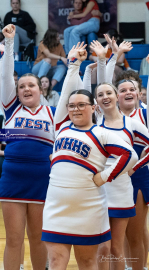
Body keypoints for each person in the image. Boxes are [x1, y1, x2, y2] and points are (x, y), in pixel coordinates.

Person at [41, 43, 138, 270]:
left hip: (88, 207)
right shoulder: (61, 126)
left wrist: (104, 177)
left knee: (87, 262)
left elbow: (130, 155)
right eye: (72, 106)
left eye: (82, 105)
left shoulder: (101, 133)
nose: (75, 109)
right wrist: (74, 64)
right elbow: (67, 92)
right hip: (56, 206)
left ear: (93, 108)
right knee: (56, 262)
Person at [0, 24, 56, 270]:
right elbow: (4, 76)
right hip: (13, 179)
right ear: (16, 92)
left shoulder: (53, 113)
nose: (26, 89)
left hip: (42, 179)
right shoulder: (11, 109)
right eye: (21, 87)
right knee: (13, 239)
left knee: (38, 239)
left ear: (41, 90)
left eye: (31, 85)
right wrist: (9, 43)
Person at [95, 38, 149, 270]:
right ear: (117, 95)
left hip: (136, 177)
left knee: (136, 234)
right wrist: (112, 57)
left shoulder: (144, 116)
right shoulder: (103, 115)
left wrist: (133, 167)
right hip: (107, 180)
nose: (127, 93)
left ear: (139, 94)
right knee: (113, 238)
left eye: (132, 90)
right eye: (123, 90)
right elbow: (103, 85)